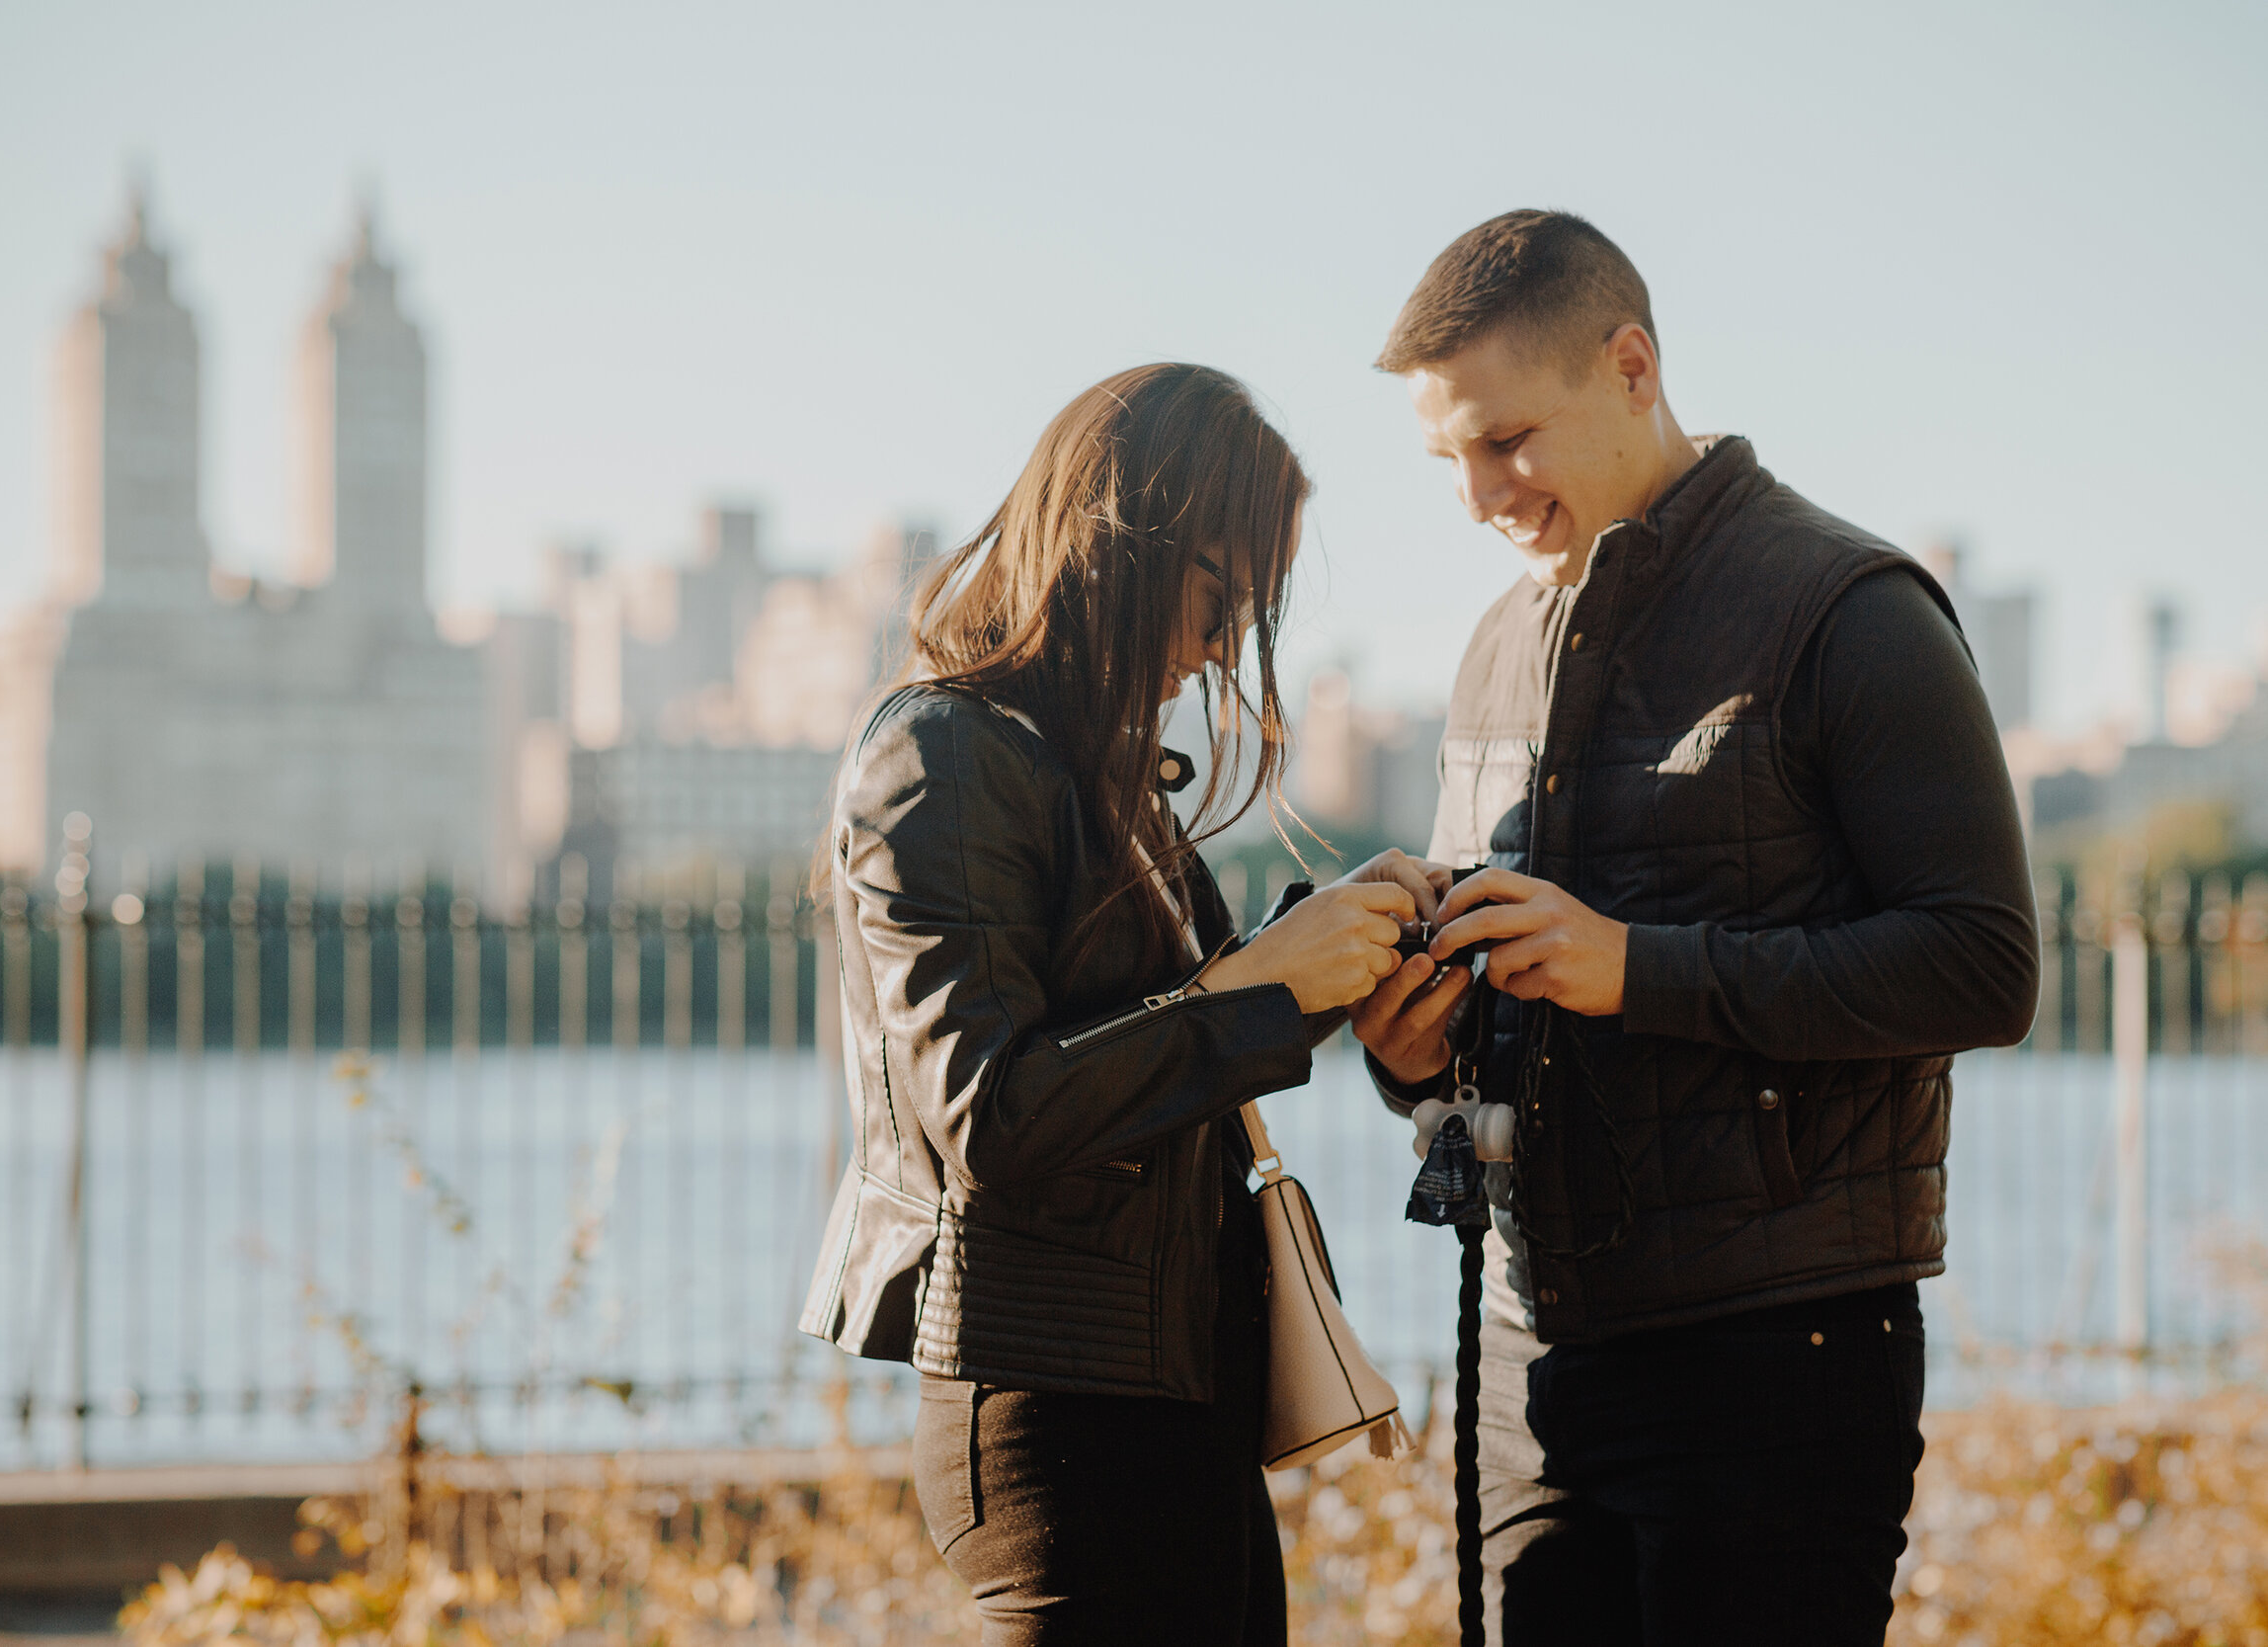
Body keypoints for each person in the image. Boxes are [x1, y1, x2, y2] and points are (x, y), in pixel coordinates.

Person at [1347, 211, 2040, 1646]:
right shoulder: (1493, 644)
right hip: (1530, 1354)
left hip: (1779, 1358)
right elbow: (1510, 1010)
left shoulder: (1851, 609)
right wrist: (1414, 1051)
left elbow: (1985, 963)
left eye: (1509, 439)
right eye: (1451, 459)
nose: (1479, 493)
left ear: (1633, 365)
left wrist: (1633, 968)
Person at [798, 362, 1440, 1644]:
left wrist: (1339, 960)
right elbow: (994, 1119)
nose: (1217, 649)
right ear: (1118, 547)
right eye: (1219, 597)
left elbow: (1171, 1034)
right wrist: (1267, 985)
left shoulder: (1101, 782)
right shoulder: (942, 757)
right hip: (1056, 1415)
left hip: (1171, 1394)